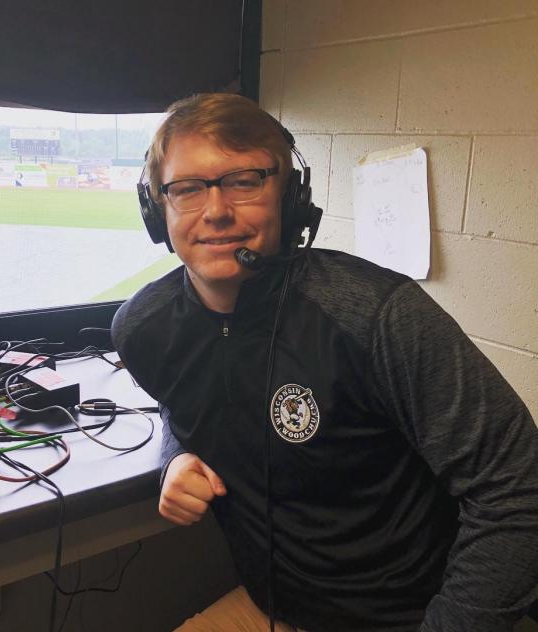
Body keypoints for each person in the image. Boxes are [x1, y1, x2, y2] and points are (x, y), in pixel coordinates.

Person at [111, 93, 538, 632]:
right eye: (188, 188)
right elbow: (184, 405)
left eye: (245, 181)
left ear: (290, 199)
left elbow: (519, 492)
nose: (216, 211)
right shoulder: (143, 329)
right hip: (274, 611)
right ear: (158, 209)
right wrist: (175, 459)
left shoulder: (377, 316)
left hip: (416, 618)